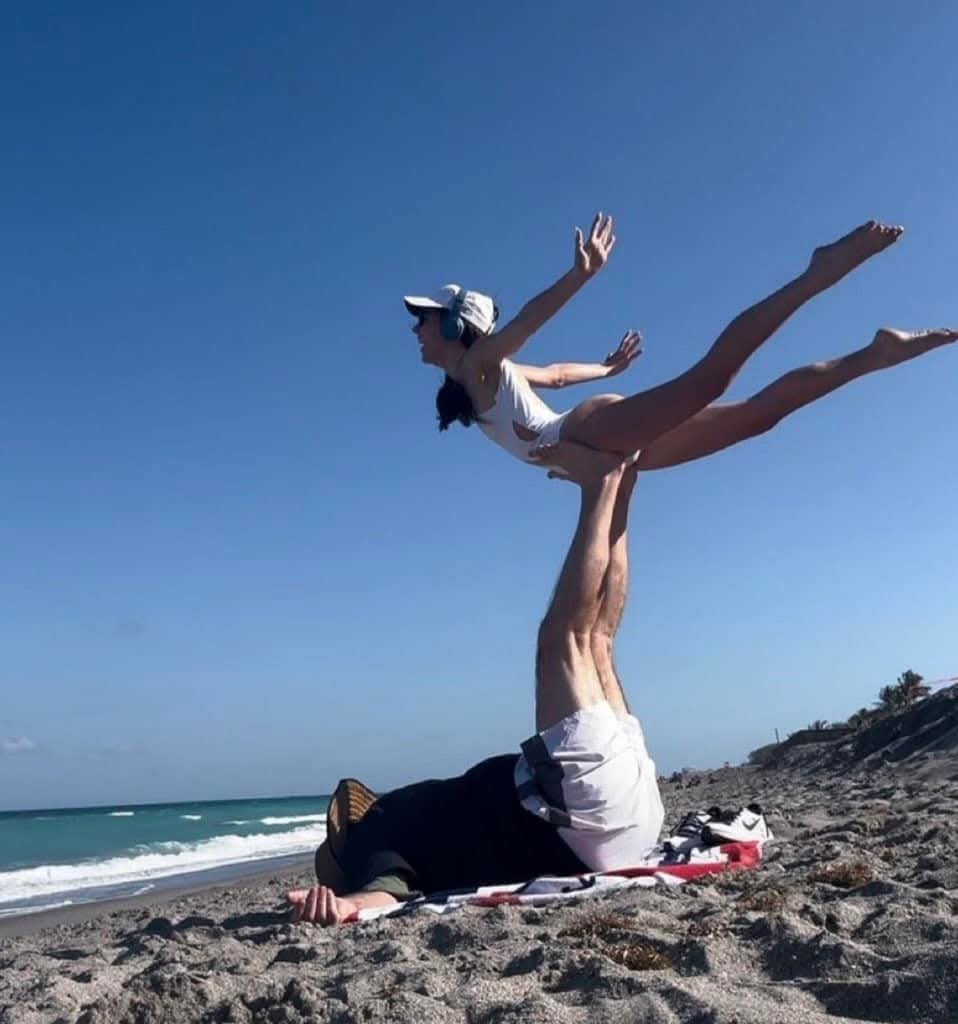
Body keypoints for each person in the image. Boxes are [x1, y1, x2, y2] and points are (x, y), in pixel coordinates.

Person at [287, 442, 663, 926]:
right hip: (585, 815)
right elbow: (385, 894)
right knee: (565, 638)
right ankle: (603, 486)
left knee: (599, 641)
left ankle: (622, 489)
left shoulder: (392, 822)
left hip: (624, 812)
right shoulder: (373, 843)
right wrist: (347, 904)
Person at [404, 217, 957, 473]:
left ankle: (818, 274)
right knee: (756, 418)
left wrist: (579, 279)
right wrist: (605, 367)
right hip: (601, 452)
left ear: (456, 328)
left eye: (423, 321)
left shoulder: (480, 362)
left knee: (710, 379)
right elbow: (553, 374)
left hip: (589, 434)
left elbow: (525, 325)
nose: (416, 331)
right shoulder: (478, 376)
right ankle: (875, 354)